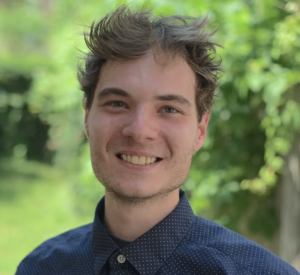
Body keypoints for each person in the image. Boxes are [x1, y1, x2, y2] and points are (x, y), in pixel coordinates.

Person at [16, 4, 299, 275]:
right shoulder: (40, 268)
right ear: (87, 116)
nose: (139, 130)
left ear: (200, 130)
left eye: (169, 109)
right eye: (117, 103)